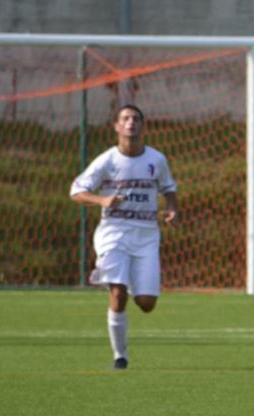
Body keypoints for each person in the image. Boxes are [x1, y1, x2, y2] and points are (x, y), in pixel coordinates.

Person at [69, 104, 178, 370]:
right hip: (114, 231)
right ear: (117, 126)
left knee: (146, 303)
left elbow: (169, 189)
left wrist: (172, 209)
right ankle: (120, 356)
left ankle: (129, 280)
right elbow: (76, 190)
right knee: (118, 292)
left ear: (143, 125)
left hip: (146, 236)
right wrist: (101, 199)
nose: (131, 123)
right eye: (125, 119)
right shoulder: (107, 160)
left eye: (136, 119)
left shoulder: (156, 159)